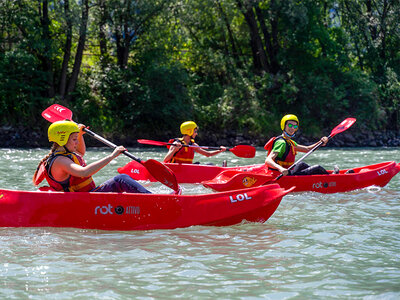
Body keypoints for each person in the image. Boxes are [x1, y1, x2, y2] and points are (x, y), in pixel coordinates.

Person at [33, 120, 151, 193]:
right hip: (81, 201)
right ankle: (154, 200)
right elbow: (84, 172)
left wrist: (80, 134)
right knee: (121, 179)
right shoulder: (60, 161)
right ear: (62, 139)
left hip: (85, 196)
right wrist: (112, 156)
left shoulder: (62, 155)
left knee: (122, 180)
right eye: (74, 139)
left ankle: (148, 198)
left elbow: (79, 153)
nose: (77, 142)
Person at [264, 114, 330, 176]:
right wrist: (281, 169)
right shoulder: (281, 142)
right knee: (317, 168)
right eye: (290, 125)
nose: (292, 128)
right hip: (281, 174)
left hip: (287, 172)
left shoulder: (290, 142)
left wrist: (320, 142)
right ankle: (331, 177)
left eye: (295, 126)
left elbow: (308, 149)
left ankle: (321, 177)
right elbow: (268, 160)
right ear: (284, 126)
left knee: (302, 164)